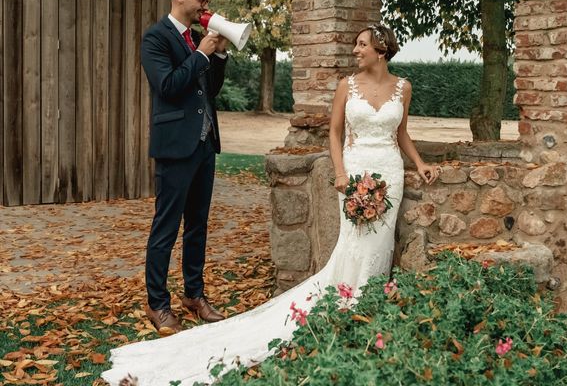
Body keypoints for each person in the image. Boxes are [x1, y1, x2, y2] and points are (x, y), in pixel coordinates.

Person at [101, 24, 440, 385]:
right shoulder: (347, 86)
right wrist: (340, 172)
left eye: (362, 45)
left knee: (380, 242)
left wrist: (419, 164)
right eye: (356, 45)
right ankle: (347, 303)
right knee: (354, 242)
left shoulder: (404, 88)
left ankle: (368, 306)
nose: (356, 51)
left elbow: (401, 132)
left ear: (381, 49)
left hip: (390, 172)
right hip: (354, 172)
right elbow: (336, 133)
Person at [141, 0, 229, 334]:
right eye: (201, 0)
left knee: (197, 226)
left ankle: (194, 294)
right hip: (175, 146)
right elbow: (169, 86)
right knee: (166, 227)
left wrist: (219, 56)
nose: (205, 6)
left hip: (204, 145)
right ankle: (157, 303)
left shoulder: (197, 39)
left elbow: (210, 91)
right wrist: (202, 54)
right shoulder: (155, 38)